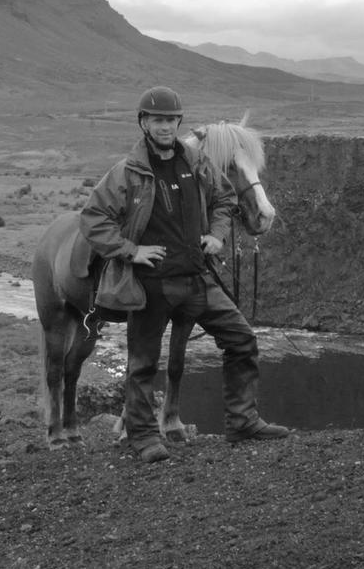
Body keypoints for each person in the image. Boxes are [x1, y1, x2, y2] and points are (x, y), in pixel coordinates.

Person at [79, 85, 290, 463]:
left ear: (179, 123)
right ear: (144, 123)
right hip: (151, 283)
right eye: (157, 120)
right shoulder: (127, 172)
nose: (165, 127)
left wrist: (217, 235)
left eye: (171, 120)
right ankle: (142, 437)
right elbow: (93, 218)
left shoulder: (195, 162)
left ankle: (242, 421)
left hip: (196, 277)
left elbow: (225, 198)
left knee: (241, 339)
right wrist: (131, 251)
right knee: (143, 362)